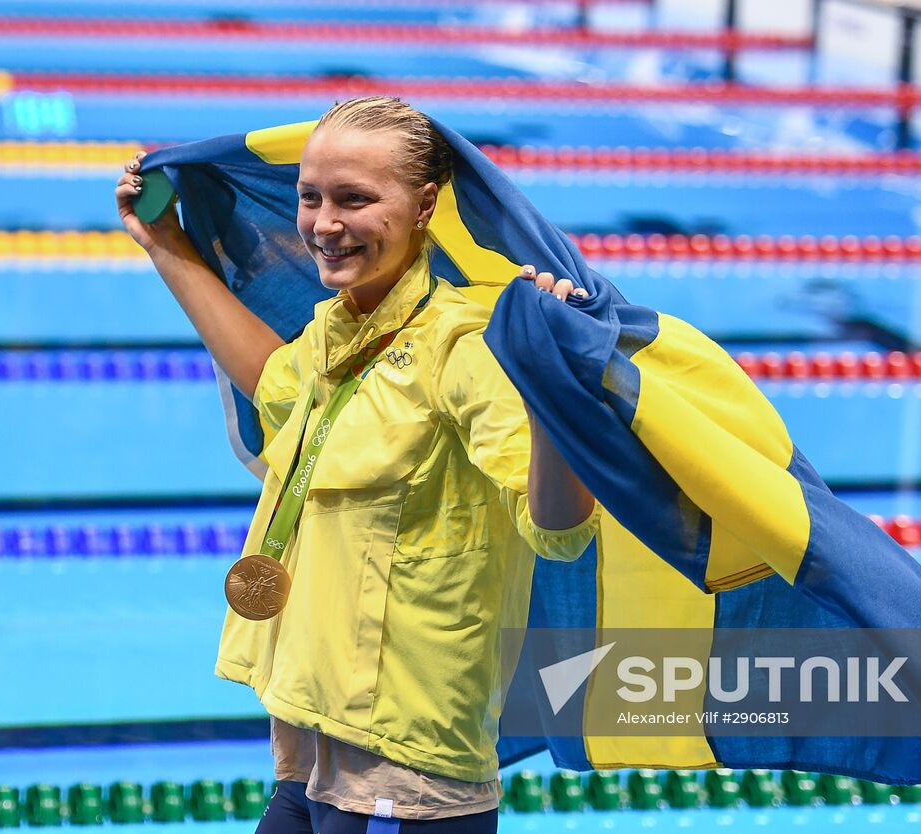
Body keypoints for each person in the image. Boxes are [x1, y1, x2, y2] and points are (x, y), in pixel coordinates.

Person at [115, 96, 600, 833]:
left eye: (355, 199)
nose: (323, 224)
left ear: (425, 204)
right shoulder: (335, 329)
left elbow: (559, 530)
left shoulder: (468, 349)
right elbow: (274, 386)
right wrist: (167, 245)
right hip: (314, 722)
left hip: (404, 752)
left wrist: (549, 394)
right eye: (310, 198)